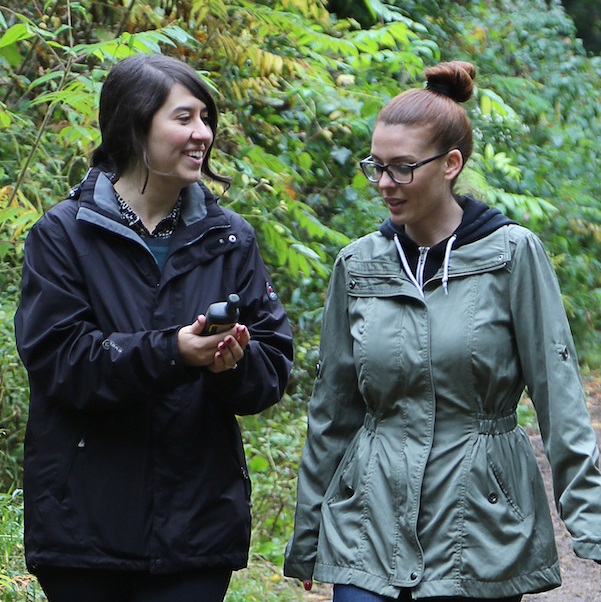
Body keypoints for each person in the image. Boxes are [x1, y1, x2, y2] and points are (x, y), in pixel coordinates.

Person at [283, 60, 601, 601]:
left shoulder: (511, 255)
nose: (385, 184)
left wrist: (591, 523)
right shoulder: (358, 265)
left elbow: (559, 391)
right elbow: (334, 409)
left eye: (402, 168)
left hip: (478, 522)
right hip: (367, 523)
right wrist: (310, 532)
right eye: (376, 167)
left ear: (451, 163)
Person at [14, 53, 293, 602]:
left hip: (196, 527)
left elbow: (272, 368)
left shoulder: (229, 237)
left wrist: (231, 360)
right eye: (184, 118)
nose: (202, 134)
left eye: (206, 120)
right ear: (134, 125)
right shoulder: (63, 235)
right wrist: (174, 351)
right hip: (84, 527)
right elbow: (60, 361)